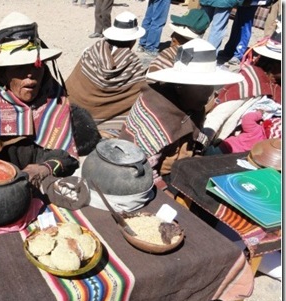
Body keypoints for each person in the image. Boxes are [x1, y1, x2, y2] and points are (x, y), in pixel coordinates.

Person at [0, 12, 82, 190]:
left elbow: (68, 158)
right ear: (3, 74)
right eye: (20, 68)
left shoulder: (57, 101)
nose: (30, 75)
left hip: (47, 185)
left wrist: (45, 168)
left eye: (36, 65)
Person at [118, 38, 243, 189]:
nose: (209, 93)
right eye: (203, 87)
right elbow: (137, 169)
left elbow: (196, 146)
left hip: (180, 170)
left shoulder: (194, 106)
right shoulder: (156, 109)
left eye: (210, 86)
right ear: (179, 86)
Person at [65, 12, 147, 123]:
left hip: (73, 109)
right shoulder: (134, 65)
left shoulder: (91, 52)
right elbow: (137, 93)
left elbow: (75, 83)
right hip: (108, 121)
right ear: (133, 41)